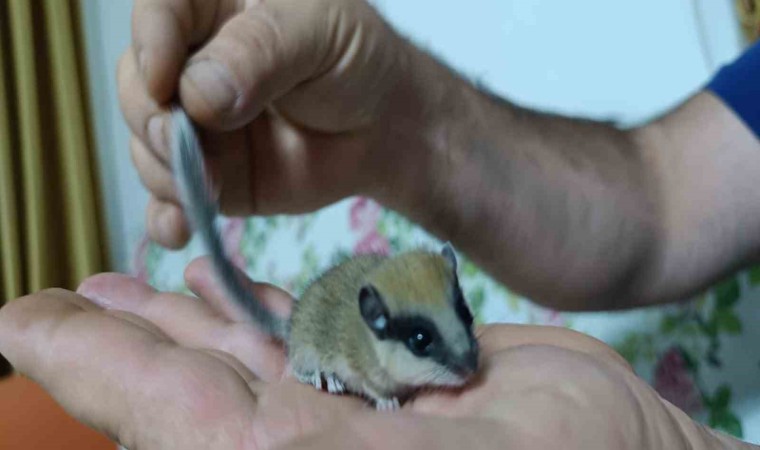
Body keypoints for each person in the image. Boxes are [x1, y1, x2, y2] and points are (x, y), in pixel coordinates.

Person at [1, 0, 759, 448]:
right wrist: (403, 125)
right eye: (429, 341)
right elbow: (661, 203)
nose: (466, 360)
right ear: (379, 327)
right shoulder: (357, 336)